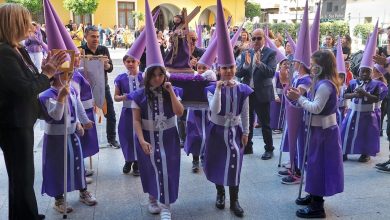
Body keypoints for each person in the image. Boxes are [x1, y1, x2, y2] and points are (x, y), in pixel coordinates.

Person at [0, 3, 67, 220]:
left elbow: (31, 80)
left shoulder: (16, 49)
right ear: (15, 24)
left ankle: (24, 214)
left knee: (23, 176)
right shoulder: (4, 52)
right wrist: (46, 74)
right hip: (13, 124)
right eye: (26, 22)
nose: (31, 26)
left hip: (22, 120)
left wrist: (44, 70)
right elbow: (25, 89)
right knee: (22, 176)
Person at [203, 1, 253, 216]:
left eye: (231, 67)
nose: (228, 71)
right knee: (217, 161)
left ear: (235, 67)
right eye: (224, 68)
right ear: (218, 69)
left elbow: (245, 111)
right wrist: (220, 90)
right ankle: (219, 192)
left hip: (235, 131)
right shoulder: (212, 88)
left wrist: (247, 132)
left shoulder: (242, 89)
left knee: (235, 162)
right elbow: (214, 111)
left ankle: (235, 200)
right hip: (217, 130)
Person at [287, 50, 344, 219]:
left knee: (319, 165)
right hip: (318, 131)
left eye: (314, 65)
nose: (311, 67)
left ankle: (317, 206)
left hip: (324, 133)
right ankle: (313, 195)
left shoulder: (325, 85)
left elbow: (316, 108)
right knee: (313, 164)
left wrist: (299, 98)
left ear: (322, 67)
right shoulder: (319, 82)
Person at [38, 71, 97, 214]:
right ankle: (59, 199)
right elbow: (56, 116)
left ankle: (83, 192)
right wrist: (61, 97)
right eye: (65, 73)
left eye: (71, 73)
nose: (70, 77)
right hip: (55, 139)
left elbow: (77, 108)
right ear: (56, 74)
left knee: (77, 164)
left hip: (72, 134)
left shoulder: (72, 91)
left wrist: (82, 121)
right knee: (57, 167)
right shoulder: (45, 95)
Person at [236, 28, 277, 159]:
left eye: (259, 38)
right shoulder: (246, 53)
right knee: (247, 121)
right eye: (253, 38)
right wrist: (246, 66)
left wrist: (259, 63)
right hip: (248, 92)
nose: (256, 41)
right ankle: (248, 147)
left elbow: (271, 72)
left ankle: (269, 149)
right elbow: (238, 73)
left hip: (263, 92)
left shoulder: (270, 53)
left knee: (265, 123)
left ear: (264, 39)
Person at [81, 26, 120, 148]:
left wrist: (107, 65)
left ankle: (112, 139)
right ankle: (84, 140)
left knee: (111, 114)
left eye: (97, 36)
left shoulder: (103, 49)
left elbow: (111, 68)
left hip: (103, 86)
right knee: (85, 115)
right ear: (85, 36)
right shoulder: (81, 50)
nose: (96, 39)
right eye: (93, 36)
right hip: (85, 89)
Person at [114, 55, 143, 175]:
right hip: (127, 111)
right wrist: (124, 97)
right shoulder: (120, 78)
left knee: (139, 135)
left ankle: (137, 162)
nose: (130, 64)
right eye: (128, 61)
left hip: (141, 112)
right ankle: (128, 159)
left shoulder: (144, 77)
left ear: (138, 62)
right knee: (126, 136)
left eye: (133, 61)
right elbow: (116, 97)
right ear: (124, 63)